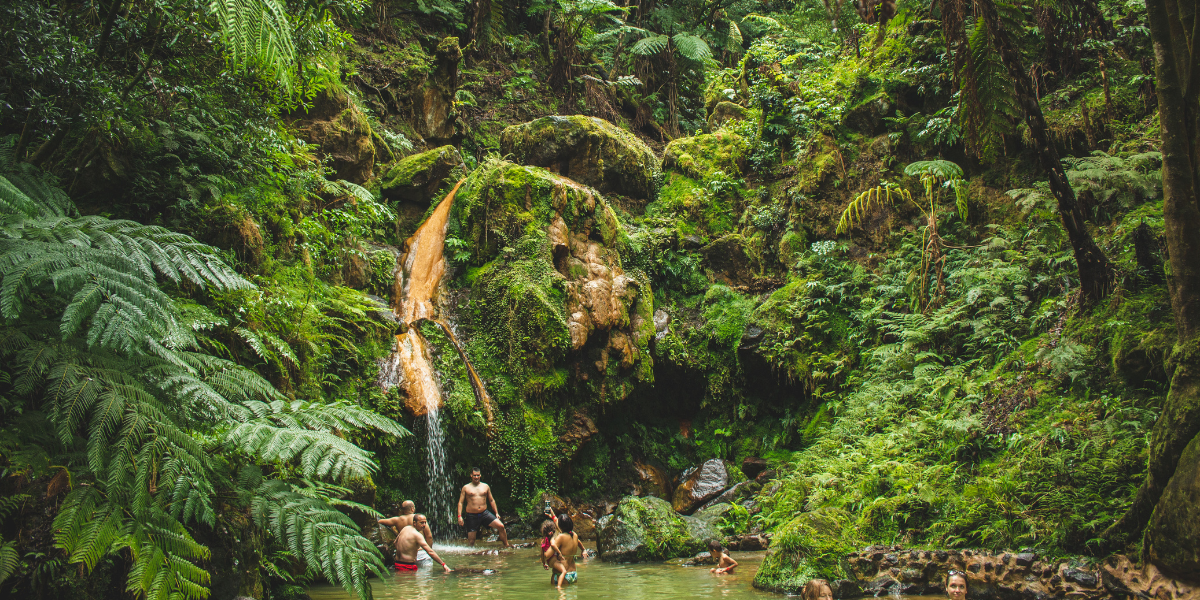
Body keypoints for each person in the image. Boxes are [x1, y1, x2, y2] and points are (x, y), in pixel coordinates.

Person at [456, 467, 510, 547]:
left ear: (480, 475)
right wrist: (459, 516)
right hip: (471, 515)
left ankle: (506, 545)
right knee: (471, 541)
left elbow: (491, 500)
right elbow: (460, 502)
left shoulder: (485, 486)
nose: (476, 477)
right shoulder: (466, 487)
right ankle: (471, 557)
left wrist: (496, 512)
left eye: (478, 475)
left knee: (501, 526)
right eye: (474, 475)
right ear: (471, 475)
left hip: (484, 513)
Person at [547, 513, 584, 588]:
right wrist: (553, 515)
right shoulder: (575, 535)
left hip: (561, 574)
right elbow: (560, 525)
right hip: (573, 573)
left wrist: (551, 540)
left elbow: (547, 554)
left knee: (558, 595)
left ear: (560, 527)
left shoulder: (561, 537)